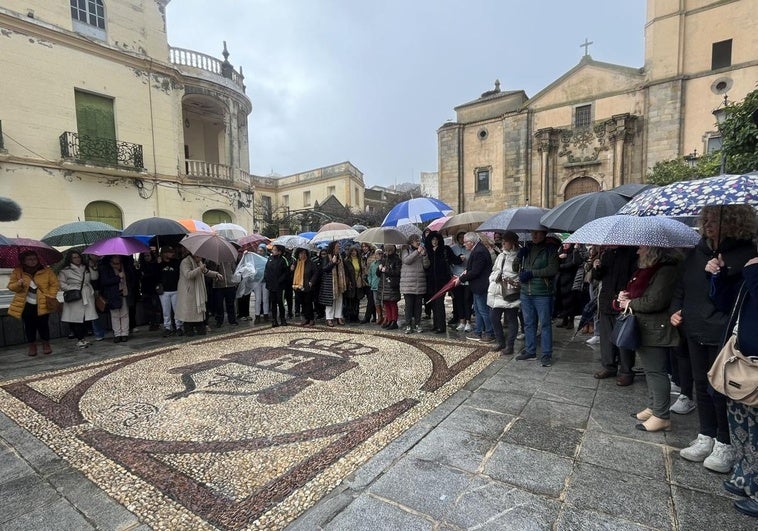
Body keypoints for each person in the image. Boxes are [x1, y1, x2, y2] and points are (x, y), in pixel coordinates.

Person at [671, 205, 756, 472]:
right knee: (700, 384)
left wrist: (721, 274)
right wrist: (677, 309)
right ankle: (705, 435)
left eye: (714, 219)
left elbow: (737, 298)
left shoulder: (746, 254)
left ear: (733, 222)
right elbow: (684, 285)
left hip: (721, 330)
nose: (707, 224)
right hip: (694, 326)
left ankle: (725, 442)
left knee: (719, 387)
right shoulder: (698, 250)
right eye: (705, 219)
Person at [620, 246, 682, 432]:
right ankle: (653, 407)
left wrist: (630, 303)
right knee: (650, 370)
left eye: (642, 248)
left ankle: (662, 415)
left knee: (657, 372)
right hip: (647, 327)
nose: (638, 252)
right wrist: (626, 296)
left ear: (654, 251)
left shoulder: (666, 271)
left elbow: (655, 301)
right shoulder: (650, 270)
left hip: (656, 328)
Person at [716, 255, 758, 517]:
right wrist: (718, 276)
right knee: (742, 422)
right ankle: (745, 476)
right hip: (741, 355)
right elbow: (726, 303)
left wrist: (753, 270)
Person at [592, 246, 639, 384]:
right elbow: (599, 277)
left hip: (623, 301)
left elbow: (635, 277)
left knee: (623, 336)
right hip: (607, 301)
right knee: (606, 337)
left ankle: (626, 370)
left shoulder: (632, 253)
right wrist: (597, 268)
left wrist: (627, 294)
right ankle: (609, 366)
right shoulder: (606, 254)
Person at [514, 230, 559, 366]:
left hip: (542, 293)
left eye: (538, 233)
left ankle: (546, 354)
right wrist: (518, 257)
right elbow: (515, 267)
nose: (534, 236)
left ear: (544, 234)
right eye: (533, 233)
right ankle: (530, 350)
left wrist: (532, 273)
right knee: (528, 323)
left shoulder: (550, 250)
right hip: (526, 292)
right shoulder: (527, 248)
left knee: (544, 324)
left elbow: (552, 269)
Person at [8, 250, 59, 356]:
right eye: (29, 259)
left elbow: (54, 284)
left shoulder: (46, 270)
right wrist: (18, 283)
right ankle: (32, 345)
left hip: (43, 302)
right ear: (24, 260)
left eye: (34, 259)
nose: (32, 261)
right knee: (29, 325)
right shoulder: (18, 271)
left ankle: (46, 343)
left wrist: (51, 295)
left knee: (43, 324)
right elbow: (11, 287)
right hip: (25, 304)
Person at [453, 232, 494, 343]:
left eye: (466, 242)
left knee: (483, 310)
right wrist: (466, 271)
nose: (464, 244)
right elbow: (474, 268)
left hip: (481, 286)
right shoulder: (477, 249)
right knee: (478, 309)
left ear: (471, 242)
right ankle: (478, 331)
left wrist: (461, 279)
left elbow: (476, 272)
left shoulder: (479, 251)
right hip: (476, 286)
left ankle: (490, 333)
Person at [487, 231, 521, 354]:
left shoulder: (519, 256)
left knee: (511, 319)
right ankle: (500, 342)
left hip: (510, 292)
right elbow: (494, 269)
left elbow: (520, 274)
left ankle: (510, 345)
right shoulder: (501, 255)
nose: (503, 243)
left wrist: (513, 281)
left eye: (505, 241)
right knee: (494, 318)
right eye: (503, 241)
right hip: (497, 291)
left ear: (512, 243)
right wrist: (493, 278)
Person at [175, 251, 222, 335]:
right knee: (189, 312)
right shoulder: (185, 262)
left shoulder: (199, 262)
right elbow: (188, 275)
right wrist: (199, 269)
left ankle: (200, 327)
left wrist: (216, 274)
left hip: (198, 291)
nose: (201, 258)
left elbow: (206, 271)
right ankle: (189, 329)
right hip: (189, 292)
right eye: (200, 256)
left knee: (198, 312)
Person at [58, 250, 98, 349]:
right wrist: (73, 288)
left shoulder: (86, 268)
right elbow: (61, 285)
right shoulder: (65, 271)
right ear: (70, 259)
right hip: (75, 296)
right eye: (74, 257)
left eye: (78, 257)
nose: (77, 259)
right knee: (76, 318)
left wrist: (93, 267)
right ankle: (80, 339)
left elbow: (94, 277)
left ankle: (83, 338)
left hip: (87, 294)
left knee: (86, 318)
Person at [425, 231, 461, 334]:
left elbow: (454, 259)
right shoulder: (428, 251)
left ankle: (441, 326)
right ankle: (436, 325)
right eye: (432, 240)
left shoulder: (445, 249)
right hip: (431, 281)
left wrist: (460, 258)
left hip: (442, 281)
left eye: (436, 240)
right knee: (433, 304)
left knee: (439, 303)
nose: (434, 242)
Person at [99, 255, 134, 343]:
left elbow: (131, 278)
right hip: (113, 294)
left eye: (118, 257)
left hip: (124, 293)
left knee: (125, 314)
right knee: (115, 315)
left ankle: (125, 333)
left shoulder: (125, 266)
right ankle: (117, 334)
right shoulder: (106, 268)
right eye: (115, 257)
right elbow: (105, 281)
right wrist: (118, 277)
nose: (117, 258)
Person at [400, 234, 429, 334]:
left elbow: (426, 265)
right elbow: (407, 260)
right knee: (409, 306)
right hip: (408, 283)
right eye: (416, 241)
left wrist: (424, 255)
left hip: (419, 282)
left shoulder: (422, 251)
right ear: (411, 242)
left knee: (418, 306)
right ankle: (408, 324)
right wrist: (417, 252)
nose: (418, 242)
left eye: (419, 240)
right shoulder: (405, 251)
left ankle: (418, 324)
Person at [554, 242, 584, 329]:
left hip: (570, 279)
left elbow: (574, 263)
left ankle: (571, 320)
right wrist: (559, 258)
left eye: (567, 243)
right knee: (562, 300)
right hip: (560, 280)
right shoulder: (561, 251)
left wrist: (561, 266)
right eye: (564, 243)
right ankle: (564, 319)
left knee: (570, 301)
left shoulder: (573, 252)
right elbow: (554, 264)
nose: (565, 245)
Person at [318, 241, 347, 327]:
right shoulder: (327, 257)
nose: (339, 248)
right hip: (330, 282)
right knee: (330, 301)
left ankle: (338, 317)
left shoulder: (340, 256)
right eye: (337, 246)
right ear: (333, 247)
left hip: (339, 281)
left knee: (339, 300)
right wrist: (333, 262)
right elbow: (325, 269)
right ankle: (329, 318)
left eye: (339, 246)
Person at [157, 246, 183, 337]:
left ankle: (179, 326)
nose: (172, 254)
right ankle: (167, 327)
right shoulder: (159, 264)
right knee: (166, 311)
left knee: (177, 310)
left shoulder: (176, 262)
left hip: (175, 289)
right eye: (169, 252)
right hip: (164, 291)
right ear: (164, 253)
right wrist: (157, 264)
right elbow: (155, 276)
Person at [450, 231, 473, 332]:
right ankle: (462, 320)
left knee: (467, 300)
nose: (461, 239)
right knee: (458, 300)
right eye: (459, 237)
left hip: (467, 277)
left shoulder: (470, 248)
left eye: (463, 237)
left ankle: (468, 321)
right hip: (457, 277)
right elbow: (450, 261)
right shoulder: (453, 248)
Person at [263, 244, 289, 327]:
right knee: (273, 303)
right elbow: (266, 270)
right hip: (271, 285)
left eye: (274, 250)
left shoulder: (283, 260)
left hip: (280, 286)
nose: (272, 251)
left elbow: (286, 272)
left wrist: (279, 281)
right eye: (272, 250)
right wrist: (267, 280)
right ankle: (274, 320)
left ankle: (282, 319)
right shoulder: (270, 259)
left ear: (279, 252)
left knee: (280, 302)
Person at [208, 259, 240, 328]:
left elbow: (234, 270)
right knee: (219, 304)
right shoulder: (212, 260)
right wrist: (216, 265)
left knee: (230, 304)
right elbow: (210, 272)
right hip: (218, 286)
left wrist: (235, 281)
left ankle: (232, 320)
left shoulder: (230, 259)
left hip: (230, 285)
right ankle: (219, 321)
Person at [292, 247, 318, 325]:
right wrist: (291, 269)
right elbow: (291, 274)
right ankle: (305, 318)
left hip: (307, 286)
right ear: (298, 254)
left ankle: (311, 318)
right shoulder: (296, 262)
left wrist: (311, 281)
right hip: (298, 287)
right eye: (300, 253)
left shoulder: (310, 263)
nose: (302, 255)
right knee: (302, 303)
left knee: (308, 303)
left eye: (304, 253)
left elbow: (315, 273)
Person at [137, 250, 162, 331]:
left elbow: (157, 275)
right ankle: (151, 322)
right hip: (146, 290)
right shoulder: (142, 266)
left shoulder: (155, 265)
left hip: (154, 289)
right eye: (145, 256)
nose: (147, 257)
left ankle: (157, 323)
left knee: (156, 307)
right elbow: (141, 277)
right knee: (148, 308)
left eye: (148, 255)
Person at [379, 245, 402, 330]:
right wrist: (379, 269)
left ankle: (394, 321)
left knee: (392, 303)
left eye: (389, 250)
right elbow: (379, 274)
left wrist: (387, 270)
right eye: (386, 250)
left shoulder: (397, 260)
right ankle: (389, 319)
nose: (387, 252)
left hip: (392, 285)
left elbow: (397, 272)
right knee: (386, 303)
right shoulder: (384, 259)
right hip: (384, 285)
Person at [343, 246, 364, 323]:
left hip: (358, 282)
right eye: (352, 251)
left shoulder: (359, 260)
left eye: (355, 251)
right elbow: (346, 273)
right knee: (350, 300)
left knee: (357, 300)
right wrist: (348, 282)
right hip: (350, 283)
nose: (353, 252)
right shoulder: (347, 261)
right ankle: (349, 316)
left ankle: (356, 316)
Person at [359, 242, 377, 323]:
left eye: (365, 246)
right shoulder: (362, 256)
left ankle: (367, 317)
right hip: (364, 280)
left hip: (372, 279)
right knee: (370, 298)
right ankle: (373, 316)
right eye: (363, 247)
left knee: (371, 299)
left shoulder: (373, 255)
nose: (364, 248)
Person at [252, 244, 270, 324]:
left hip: (265, 281)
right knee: (258, 299)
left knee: (265, 299)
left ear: (265, 251)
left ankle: (266, 314)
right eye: (258, 250)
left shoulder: (267, 259)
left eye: (261, 251)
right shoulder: (254, 259)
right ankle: (257, 316)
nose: (259, 252)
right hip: (257, 281)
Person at [367, 248, 384, 325]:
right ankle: (379, 316)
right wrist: (370, 282)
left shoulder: (383, 263)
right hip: (374, 286)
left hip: (382, 286)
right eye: (378, 253)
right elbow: (369, 274)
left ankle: (384, 317)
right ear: (375, 255)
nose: (380, 255)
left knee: (383, 302)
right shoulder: (372, 264)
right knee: (376, 302)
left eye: (381, 253)